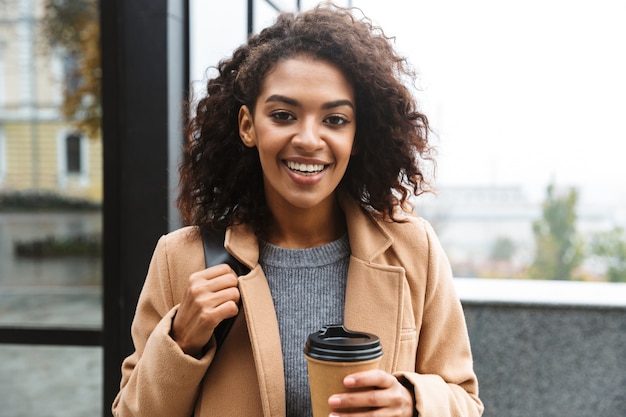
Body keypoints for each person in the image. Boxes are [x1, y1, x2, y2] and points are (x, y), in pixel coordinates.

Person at [112, 4, 483, 417]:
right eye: (284, 115)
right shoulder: (180, 259)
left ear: (358, 135)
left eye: (335, 119)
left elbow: (465, 400)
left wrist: (412, 401)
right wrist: (181, 340)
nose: (309, 139)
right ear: (248, 126)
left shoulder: (414, 250)